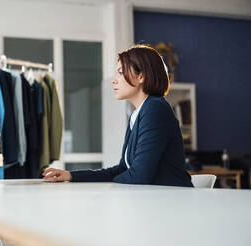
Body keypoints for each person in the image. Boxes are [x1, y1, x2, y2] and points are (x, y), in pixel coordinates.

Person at [43, 44, 193, 187]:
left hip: (173, 201)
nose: (114, 80)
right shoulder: (138, 114)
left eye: (121, 72)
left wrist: (112, 181)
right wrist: (71, 175)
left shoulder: (155, 109)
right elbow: (123, 169)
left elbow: (139, 176)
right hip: (155, 199)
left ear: (141, 76)